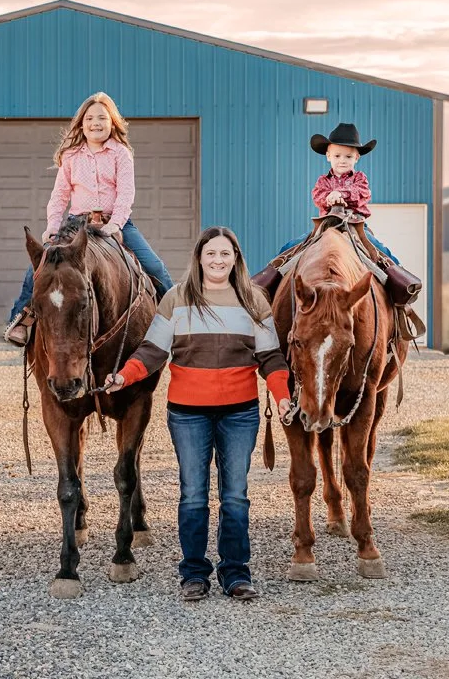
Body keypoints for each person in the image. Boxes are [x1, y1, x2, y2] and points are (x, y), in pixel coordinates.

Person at [104, 227, 292, 602]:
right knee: (192, 496)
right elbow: (152, 351)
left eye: (225, 254)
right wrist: (123, 376)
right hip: (188, 414)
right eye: (211, 254)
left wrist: (283, 396)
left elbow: (270, 357)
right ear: (199, 258)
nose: (218, 261)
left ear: (236, 258)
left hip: (240, 414)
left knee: (235, 496)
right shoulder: (176, 299)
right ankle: (194, 574)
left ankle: (236, 573)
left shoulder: (254, 301)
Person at [3, 91, 175, 346]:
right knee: (39, 266)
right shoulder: (71, 156)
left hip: (115, 221)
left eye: (102, 118)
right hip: (76, 223)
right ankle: (21, 319)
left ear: (112, 122)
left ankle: (177, 321)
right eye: (90, 118)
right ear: (81, 124)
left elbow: (126, 192)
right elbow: (60, 195)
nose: (96, 123)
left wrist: (115, 224)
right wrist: (52, 226)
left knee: (155, 267)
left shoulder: (120, 153)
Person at [276, 122, 398, 264]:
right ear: (328, 156)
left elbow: (362, 193)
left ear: (356, 158)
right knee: (291, 246)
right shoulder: (323, 180)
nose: (342, 161)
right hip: (326, 223)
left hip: (355, 223)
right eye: (337, 156)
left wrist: (340, 194)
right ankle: (272, 275)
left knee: (380, 248)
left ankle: (399, 273)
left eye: (348, 157)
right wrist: (329, 197)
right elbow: (318, 196)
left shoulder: (360, 178)